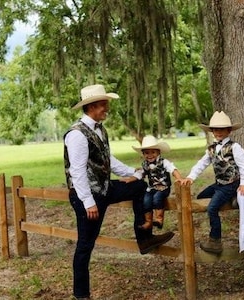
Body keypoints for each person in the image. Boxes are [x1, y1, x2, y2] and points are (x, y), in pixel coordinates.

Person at [64, 84, 175, 300]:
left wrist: (133, 172)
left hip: (105, 188)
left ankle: (144, 238)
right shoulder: (77, 134)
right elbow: (76, 171)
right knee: (86, 245)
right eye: (104, 104)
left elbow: (108, 159)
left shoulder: (100, 129)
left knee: (139, 186)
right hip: (87, 195)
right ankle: (81, 295)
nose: (107, 108)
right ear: (92, 106)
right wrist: (88, 202)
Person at [181, 111, 244, 254]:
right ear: (212, 131)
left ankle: (215, 242)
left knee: (212, 208)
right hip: (219, 183)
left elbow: (243, 166)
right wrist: (191, 177)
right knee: (201, 197)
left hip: (231, 183)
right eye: (215, 129)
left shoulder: (234, 147)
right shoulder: (211, 149)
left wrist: (243, 183)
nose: (218, 132)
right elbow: (202, 163)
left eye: (221, 129)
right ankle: (231, 198)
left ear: (229, 131)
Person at [121, 135, 182, 230]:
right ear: (143, 154)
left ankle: (159, 219)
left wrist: (179, 178)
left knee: (157, 198)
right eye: (146, 153)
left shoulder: (164, 162)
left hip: (163, 188)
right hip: (152, 187)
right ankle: (148, 221)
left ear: (158, 152)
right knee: (146, 200)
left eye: (153, 152)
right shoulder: (145, 164)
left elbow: (173, 169)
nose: (150, 155)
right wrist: (130, 179)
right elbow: (140, 174)